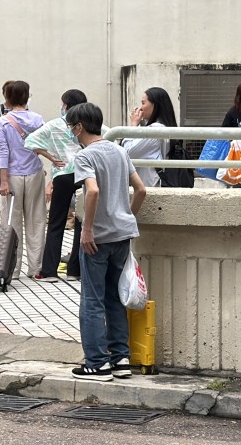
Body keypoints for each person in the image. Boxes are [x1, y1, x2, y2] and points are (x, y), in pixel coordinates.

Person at [67, 102, 146, 382]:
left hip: (97, 238)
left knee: (92, 299)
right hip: (122, 235)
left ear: (79, 127)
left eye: (71, 127)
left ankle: (97, 363)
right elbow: (141, 189)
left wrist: (87, 229)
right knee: (115, 297)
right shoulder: (120, 151)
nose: (71, 133)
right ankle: (120, 359)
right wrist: (126, 217)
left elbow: (93, 190)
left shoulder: (86, 156)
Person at [25, 89, 91, 281]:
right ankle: (75, 270)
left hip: (62, 175)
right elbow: (107, 137)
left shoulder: (54, 124)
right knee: (81, 221)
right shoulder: (90, 124)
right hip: (83, 174)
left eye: (63, 104)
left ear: (67, 106)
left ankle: (49, 271)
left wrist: (50, 157)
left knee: (56, 223)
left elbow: (29, 141)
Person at [0, 80, 48, 281]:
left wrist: (3, 181)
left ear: (7, 98)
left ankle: (13, 269)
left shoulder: (4, 121)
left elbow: (4, 152)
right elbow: (42, 144)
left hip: (13, 176)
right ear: (27, 97)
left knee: (11, 222)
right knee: (36, 219)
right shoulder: (37, 119)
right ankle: (35, 268)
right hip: (35, 172)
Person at [121, 87, 179, 189]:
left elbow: (127, 152)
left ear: (154, 105)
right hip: (152, 185)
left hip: (150, 187)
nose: (140, 108)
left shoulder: (155, 130)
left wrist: (133, 125)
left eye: (143, 103)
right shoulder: (161, 127)